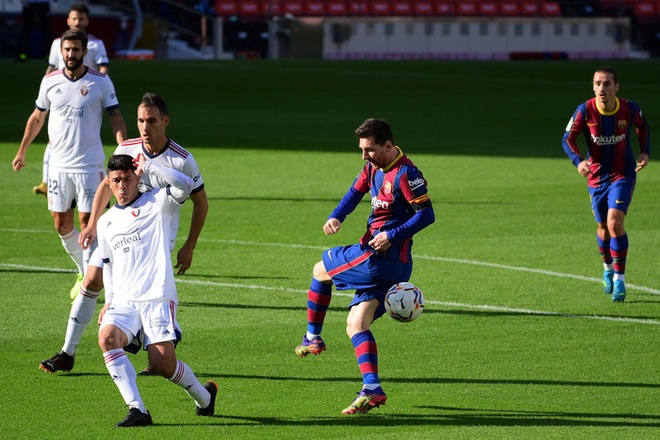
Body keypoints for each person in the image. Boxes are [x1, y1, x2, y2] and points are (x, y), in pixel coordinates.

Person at [39, 92, 208, 376]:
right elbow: (108, 184)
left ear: (165, 121)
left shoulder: (181, 160)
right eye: (141, 120)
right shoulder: (127, 149)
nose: (145, 126)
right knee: (93, 278)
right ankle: (67, 352)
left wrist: (189, 245)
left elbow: (200, 202)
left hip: (155, 241)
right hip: (119, 230)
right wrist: (93, 222)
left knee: (143, 298)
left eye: (151, 120)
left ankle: (153, 351)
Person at [294, 118, 435, 414]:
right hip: (394, 266)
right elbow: (354, 192)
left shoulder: (406, 174)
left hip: (379, 259)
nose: (364, 155)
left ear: (388, 145)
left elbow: (427, 215)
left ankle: (313, 337)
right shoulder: (373, 167)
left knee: (321, 269)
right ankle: (372, 389)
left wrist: (391, 235)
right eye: (362, 149)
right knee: (356, 324)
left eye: (369, 149)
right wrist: (337, 216)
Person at [96, 153, 216, 427]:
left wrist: (150, 166)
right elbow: (109, 266)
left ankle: (205, 397)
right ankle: (138, 409)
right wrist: (109, 300)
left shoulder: (158, 201)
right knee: (107, 338)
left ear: (137, 178)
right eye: (117, 181)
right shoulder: (106, 222)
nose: (123, 186)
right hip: (124, 300)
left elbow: (185, 185)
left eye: (128, 179)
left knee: (162, 364)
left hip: (157, 296)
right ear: (109, 183)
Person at [12, 29, 127, 299]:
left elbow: (116, 117)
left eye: (76, 50)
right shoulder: (50, 81)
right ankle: (83, 269)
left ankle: (94, 281)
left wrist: (123, 147)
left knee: (90, 223)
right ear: (60, 51)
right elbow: (37, 117)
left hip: (89, 166)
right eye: (67, 50)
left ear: (85, 52)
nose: (71, 55)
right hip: (58, 167)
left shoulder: (101, 82)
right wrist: (22, 151)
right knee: (61, 224)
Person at [562, 66, 650, 303]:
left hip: (623, 174)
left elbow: (642, 126)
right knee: (602, 226)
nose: (602, 88)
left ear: (616, 86)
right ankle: (608, 267)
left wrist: (644, 152)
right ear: (593, 86)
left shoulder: (630, 108)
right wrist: (579, 162)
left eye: (607, 83)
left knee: (614, 222)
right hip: (596, 178)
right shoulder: (584, 110)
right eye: (598, 83)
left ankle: (620, 280)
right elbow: (567, 138)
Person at [34, 2, 111, 197]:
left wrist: (98, 86)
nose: (77, 22)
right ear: (67, 20)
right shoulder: (56, 43)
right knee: (54, 140)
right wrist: (46, 90)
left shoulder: (95, 43)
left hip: (87, 94)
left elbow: (103, 67)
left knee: (84, 136)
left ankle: (90, 171)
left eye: (81, 18)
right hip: (61, 94)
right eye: (74, 18)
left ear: (87, 21)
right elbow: (51, 68)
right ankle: (45, 180)